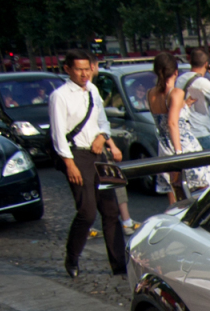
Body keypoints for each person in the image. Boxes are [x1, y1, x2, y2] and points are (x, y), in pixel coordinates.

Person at [48, 49, 126, 279]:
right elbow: (57, 133)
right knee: (87, 212)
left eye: (87, 69)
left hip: (98, 153)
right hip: (77, 155)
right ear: (67, 70)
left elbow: (102, 121)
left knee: (111, 210)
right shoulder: (59, 96)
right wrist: (69, 164)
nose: (85, 74)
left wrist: (104, 138)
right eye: (79, 69)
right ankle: (72, 257)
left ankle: (119, 264)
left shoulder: (92, 89)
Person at [149, 52, 210, 203]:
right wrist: (179, 153)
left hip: (164, 145)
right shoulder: (176, 93)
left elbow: (163, 117)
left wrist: (184, 105)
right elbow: (172, 122)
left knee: (174, 190)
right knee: (206, 185)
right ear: (175, 72)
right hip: (182, 143)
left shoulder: (151, 94)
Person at [177, 47, 210, 177]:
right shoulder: (203, 82)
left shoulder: (181, 79)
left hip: (186, 133)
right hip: (201, 132)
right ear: (207, 64)